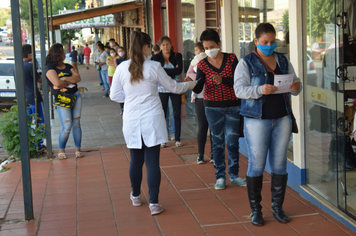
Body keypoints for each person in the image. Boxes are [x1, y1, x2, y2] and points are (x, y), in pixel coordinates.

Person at [110, 31, 196, 216]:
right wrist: (190, 85)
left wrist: (131, 97)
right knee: (152, 162)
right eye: (150, 46)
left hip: (131, 119)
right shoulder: (154, 66)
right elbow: (173, 87)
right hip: (152, 118)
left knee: (135, 160)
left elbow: (114, 95)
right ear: (146, 47)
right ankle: (154, 203)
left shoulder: (121, 67)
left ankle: (135, 196)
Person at [234, 23, 302, 226]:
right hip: (257, 120)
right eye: (265, 42)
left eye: (273, 42)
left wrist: (296, 87)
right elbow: (238, 90)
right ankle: (256, 210)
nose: (269, 45)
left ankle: (277, 208)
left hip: (282, 118)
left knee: (280, 163)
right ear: (255, 41)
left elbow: (295, 84)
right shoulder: (246, 62)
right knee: (257, 164)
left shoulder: (282, 59)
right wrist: (259, 90)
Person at [193, 29, 245, 190]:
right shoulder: (201, 64)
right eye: (206, 48)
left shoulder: (231, 59)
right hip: (212, 107)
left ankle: (235, 175)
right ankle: (220, 176)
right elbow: (199, 87)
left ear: (219, 44)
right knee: (217, 141)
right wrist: (191, 84)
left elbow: (239, 81)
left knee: (232, 141)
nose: (209, 50)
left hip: (233, 105)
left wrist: (223, 80)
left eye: (212, 46)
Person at [45, 43, 83, 159]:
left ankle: (78, 149)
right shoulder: (50, 67)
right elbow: (57, 83)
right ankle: (61, 150)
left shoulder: (67, 66)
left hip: (76, 95)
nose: (64, 54)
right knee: (67, 125)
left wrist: (65, 79)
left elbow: (78, 78)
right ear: (57, 54)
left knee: (76, 123)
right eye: (62, 52)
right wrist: (70, 82)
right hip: (62, 99)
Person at [151, 36, 184, 147]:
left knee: (176, 114)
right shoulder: (155, 58)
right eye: (163, 45)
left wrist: (163, 72)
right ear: (160, 46)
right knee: (162, 114)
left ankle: (177, 138)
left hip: (175, 88)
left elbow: (179, 70)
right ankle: (163, 140)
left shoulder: (177, 55)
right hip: (161, 89)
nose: (166, 47)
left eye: (167, 44)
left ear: (171, 45)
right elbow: (156, 72)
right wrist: (172, 71)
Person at [185, 42, 212, 164]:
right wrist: (199, 77)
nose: (200, 52)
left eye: (203, 50)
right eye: (197, 50)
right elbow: (188, 74)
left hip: (212, 97)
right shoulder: (195, 61)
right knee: (202, 126)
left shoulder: (211, 60)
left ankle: (213, 153)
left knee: (213, 128)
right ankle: (200, 154)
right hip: (200, 98)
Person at [22, 44, 46, 152]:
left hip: (24, 98)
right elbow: (39, 80)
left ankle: (28, 145)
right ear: (28, 54)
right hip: (35, 97)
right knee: (40, 120)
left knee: (26, 122)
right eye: (32, 53)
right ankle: (38, 144)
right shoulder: (29, 66)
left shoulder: (16, 66)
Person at [114, 46, 128, 115]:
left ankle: (127, 107)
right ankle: (122, 108)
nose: (121, 52)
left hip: (129, 78)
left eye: (122, 51)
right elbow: (118, 68)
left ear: (125, 51)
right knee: (122, 93)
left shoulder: (129, 58)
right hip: (121, 79)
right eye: (119, 51)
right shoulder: (117, 60)